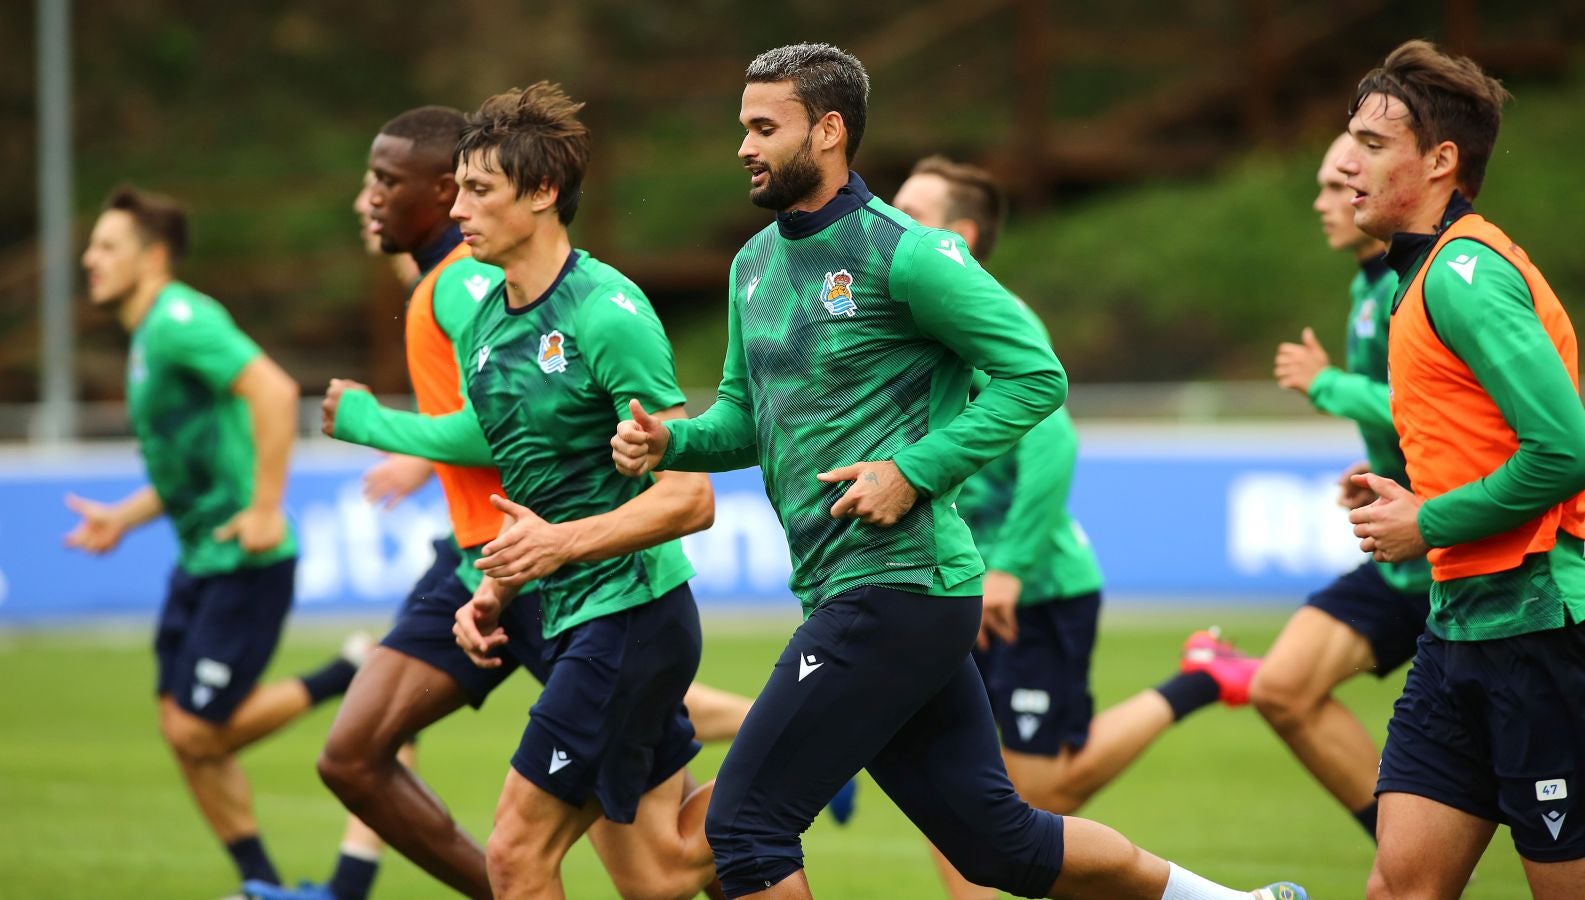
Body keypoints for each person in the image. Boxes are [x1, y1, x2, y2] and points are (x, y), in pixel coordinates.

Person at [612, 42, 1305, 900]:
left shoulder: (907, 252)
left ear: (828, 132)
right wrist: (669, 444)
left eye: (764, 127)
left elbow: (1036, 377)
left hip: (898, 587)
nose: (744, 147)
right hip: (865, 594)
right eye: (742, 127)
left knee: (745, 827)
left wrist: (912, 471)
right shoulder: (751, 265)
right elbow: (742, 419)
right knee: (1000, 847)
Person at [322, 82, 720, 900]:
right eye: (458, 187)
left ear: (541, 195)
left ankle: (814, 739)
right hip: (566, 611)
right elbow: (536, 489)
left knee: (513, 856)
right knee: (658, 876)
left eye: (477, 190)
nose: (456, 208)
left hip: (633, 615)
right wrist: (494, 592)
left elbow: (690, 500)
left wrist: (556, 548)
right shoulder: (489, 330)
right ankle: (816, 747)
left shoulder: (608, 313)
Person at [892, 156, 1239, 899]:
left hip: (1035, 590)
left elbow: (1053, 440)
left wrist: (1010, 568)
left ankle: (1199, 679)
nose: (891, 224)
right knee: (962, 790)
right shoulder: (913, 320)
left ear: (958, 235)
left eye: (911, 213)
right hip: (962, 585)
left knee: (1044, 793)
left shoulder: (993, 314)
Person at [249, 105, 526, 900]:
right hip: (481, 561)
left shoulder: (467, 284)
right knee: (351, 756)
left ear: (445, 192)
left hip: (538, 562)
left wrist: (375, 424)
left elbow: (511, 426)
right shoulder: (441, 281)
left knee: (655, 843)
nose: (368, 196)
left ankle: (772, 772)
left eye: (384, 180)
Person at [1340, 40, 1585, 898]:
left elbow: (1562, 449)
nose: (1345, 165)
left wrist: (1423, 523)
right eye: (1349, 139)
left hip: (1540, 625)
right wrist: (1411, 499)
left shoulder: (1466, 274)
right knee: (1399, 885)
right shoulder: (1419, 277)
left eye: (1372, 145)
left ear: (1441, 160)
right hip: (1459, 627)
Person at [66, 187, 361, 894]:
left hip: (246, 560)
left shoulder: (178, 320)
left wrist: (266, 507)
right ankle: (260, 883)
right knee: (181, 733)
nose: (89, 258)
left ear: (154, 256)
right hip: (200, 559)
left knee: (198, 733)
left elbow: (271, 389)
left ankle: (348, 673)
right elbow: (187, 468)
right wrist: (123, 518)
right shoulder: (149, 337)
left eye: (108, 246)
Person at [1184, 133, 1437, 847]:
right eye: (1326, 185)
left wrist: (1326, 384)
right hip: (1406, 552)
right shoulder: (1369, 283)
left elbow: (1432, 406)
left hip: (1459, 545)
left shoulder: (1413, 280)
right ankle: (1410, 854)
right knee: (1281, 686)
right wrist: (1371, 477)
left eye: (1340, 183)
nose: (1330, 200)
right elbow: (1402, 418)